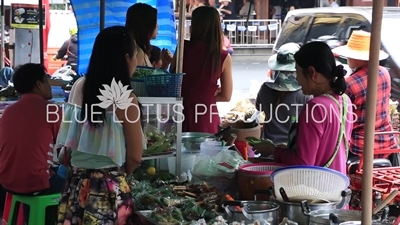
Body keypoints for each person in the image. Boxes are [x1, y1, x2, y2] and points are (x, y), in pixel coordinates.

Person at [56, 26, 144, 224]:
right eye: (136, 55)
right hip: (109, 187)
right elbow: (135, 156)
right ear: (127, 57)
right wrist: (117, 175)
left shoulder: (80, 86)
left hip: (76, 183)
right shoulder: (126, 99)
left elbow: (68, 141)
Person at [253, 42, 353, 175]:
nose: (298, 80)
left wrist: (273, 150)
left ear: (311, 72)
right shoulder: (345, 101)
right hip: (337, 185)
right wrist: (287, 150)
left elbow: (303, 162)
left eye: (297, 72)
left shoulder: (315, 107)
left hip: (315, 189)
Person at [0, 63, 64, 224]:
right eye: (47, 81)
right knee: (76, 186)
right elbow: (66, 148)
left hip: (6, 181)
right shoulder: (52, 110)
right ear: (38, 84)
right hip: (34, 183)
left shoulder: (8, 111)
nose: (50, 86)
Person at [332, 30, 397, 159]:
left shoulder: (349, 84)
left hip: (359, 148)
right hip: (387, 143)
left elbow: (343, 122)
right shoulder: (384, 73)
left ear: (357, 57)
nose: (348, 58)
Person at [171, 6, 233, 134]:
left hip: (178, 113)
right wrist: (208, 94)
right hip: (205, 116)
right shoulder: (222, 56)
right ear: (216, 27)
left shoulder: (182, 48)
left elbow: (173, 81)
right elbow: (226, 96)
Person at [256, 43, 312, 145]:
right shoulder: (306, 95)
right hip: (293, 150)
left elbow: (258, 109)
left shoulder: (265, 89)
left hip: (267, 147)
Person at [126, 3, 172, 69]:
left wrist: (164, 65)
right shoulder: (137, 54)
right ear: (147, 26)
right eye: (155, 22)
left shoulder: (141, 51)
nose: (158, 26)